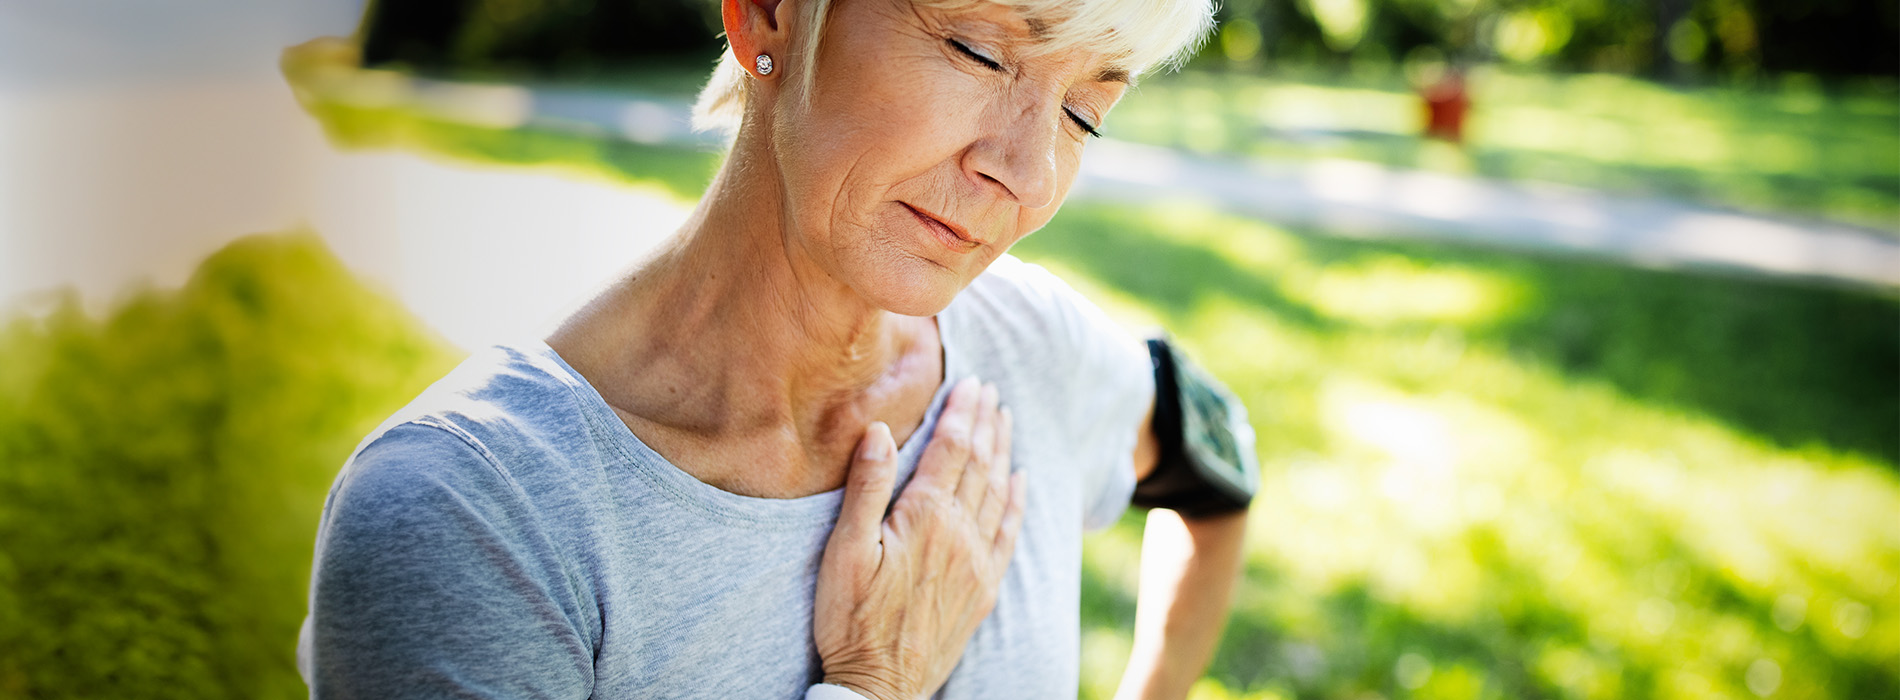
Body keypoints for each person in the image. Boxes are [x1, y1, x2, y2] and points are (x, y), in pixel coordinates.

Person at [296, 0, 1251, 696]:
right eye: (979, 50)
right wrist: (878, 684)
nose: (1026, 171)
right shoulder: (472, 518)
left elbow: (1220, 454)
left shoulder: (1031, 345)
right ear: (769, 18)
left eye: (1086, 111)